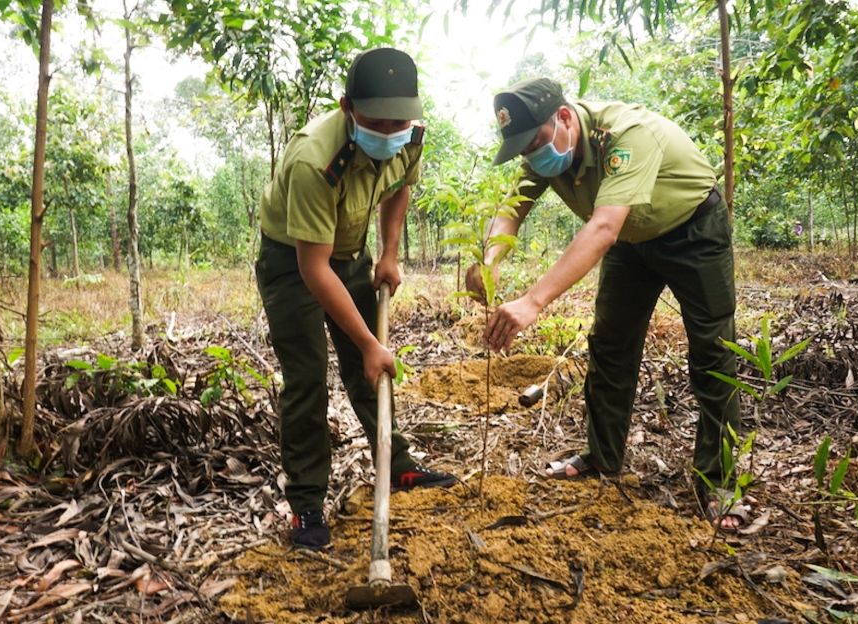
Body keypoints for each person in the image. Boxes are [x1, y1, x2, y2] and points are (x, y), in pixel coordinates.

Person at [469, 77, 745, 530]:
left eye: (534, 142)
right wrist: (490, 258)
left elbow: (602, 229)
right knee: (610, 347)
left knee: (714, 353)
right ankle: (602, 456)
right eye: (522, 149)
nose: (531, 156)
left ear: (562, 118)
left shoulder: (625, 136)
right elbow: (512, 209)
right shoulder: (543, 149)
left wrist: (533, 301)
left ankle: (718, 481)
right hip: (630, 244)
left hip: (692, 232)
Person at [255, 48, 456, 551]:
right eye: (376, 121)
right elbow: (312, 268)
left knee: (372, 369)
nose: (389, 133)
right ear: (347, 107)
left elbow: (398, 189)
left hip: (349, 253)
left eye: (399, 122)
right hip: (293, 262)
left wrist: (389, 253)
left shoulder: (410, 135)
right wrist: (367, 340)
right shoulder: (313, 160)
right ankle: (306, 507)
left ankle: (398, 466)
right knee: (307, 380)